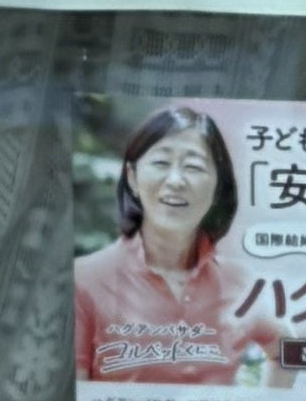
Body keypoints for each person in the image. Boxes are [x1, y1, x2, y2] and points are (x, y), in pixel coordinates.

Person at [72, 101, 264, 379]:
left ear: (217, 186)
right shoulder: (85, 279)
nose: (176, 180)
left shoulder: (241, 283)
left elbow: (282, 345)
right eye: (161, 163)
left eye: (194, 166)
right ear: (132, 178)